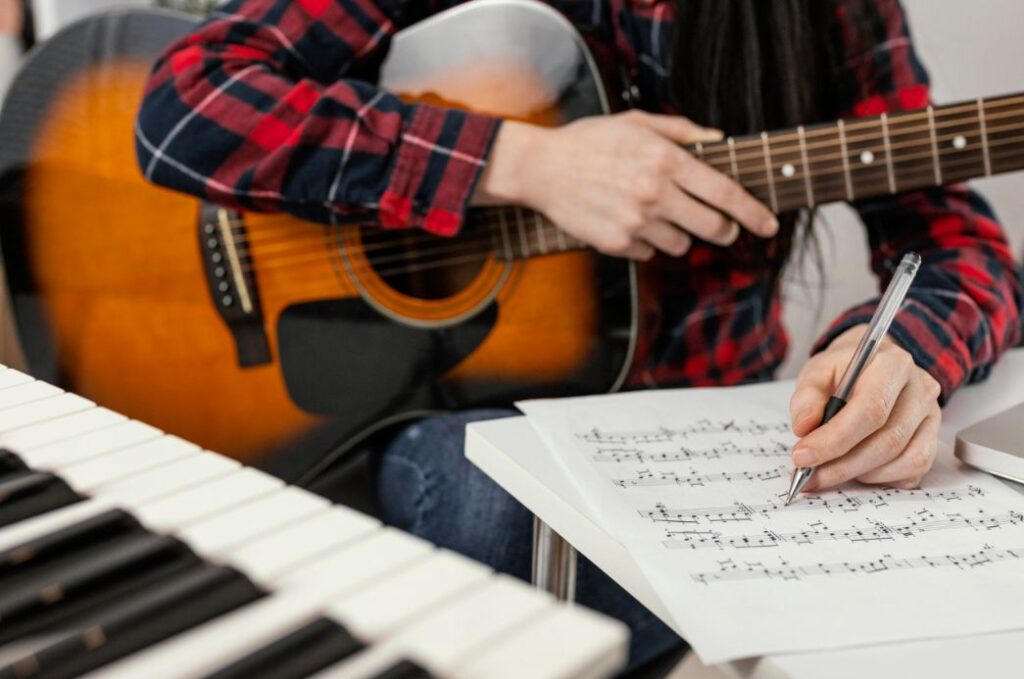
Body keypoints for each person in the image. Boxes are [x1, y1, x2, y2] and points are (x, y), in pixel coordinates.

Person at [135, 0, 1023, 670]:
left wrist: (902, 347)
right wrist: (520, 163)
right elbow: (186, 106)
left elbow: (953, 240)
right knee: (492, 507)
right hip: (430, 400)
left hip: (685, 425)